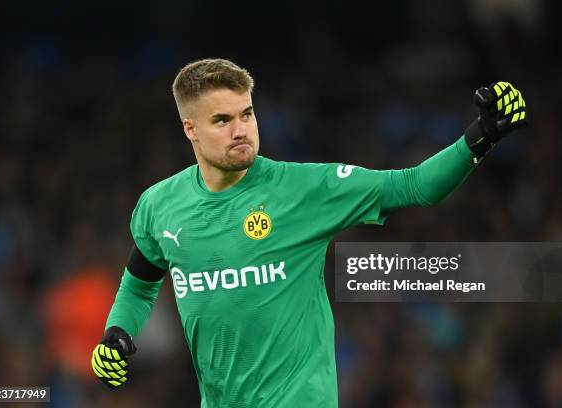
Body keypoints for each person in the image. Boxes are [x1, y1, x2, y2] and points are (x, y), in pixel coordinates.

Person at [90, 58, 527, 407]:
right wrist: (116, 333)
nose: (241, 129)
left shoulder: (304, 190)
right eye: (222, 120)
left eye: (247, 113)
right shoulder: (159, 206)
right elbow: (139, 284)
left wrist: (481, 136)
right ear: (191, 130)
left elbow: (415, 185)